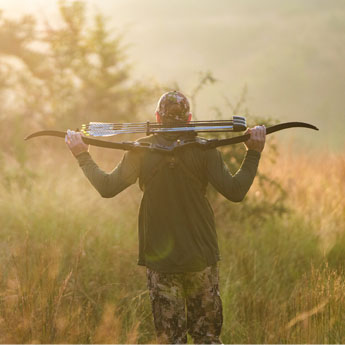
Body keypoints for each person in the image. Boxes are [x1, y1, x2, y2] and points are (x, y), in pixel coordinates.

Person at [65, 91, 266, 344]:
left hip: (162, 262)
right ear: (190, 118)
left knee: (171, 340)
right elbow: (236, 192)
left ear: (157, 117)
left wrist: (82, 154)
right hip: (200, 258)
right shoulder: (204, 150)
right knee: (207, 337)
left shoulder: (141, 150)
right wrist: (254, 152)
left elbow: (107, 187)